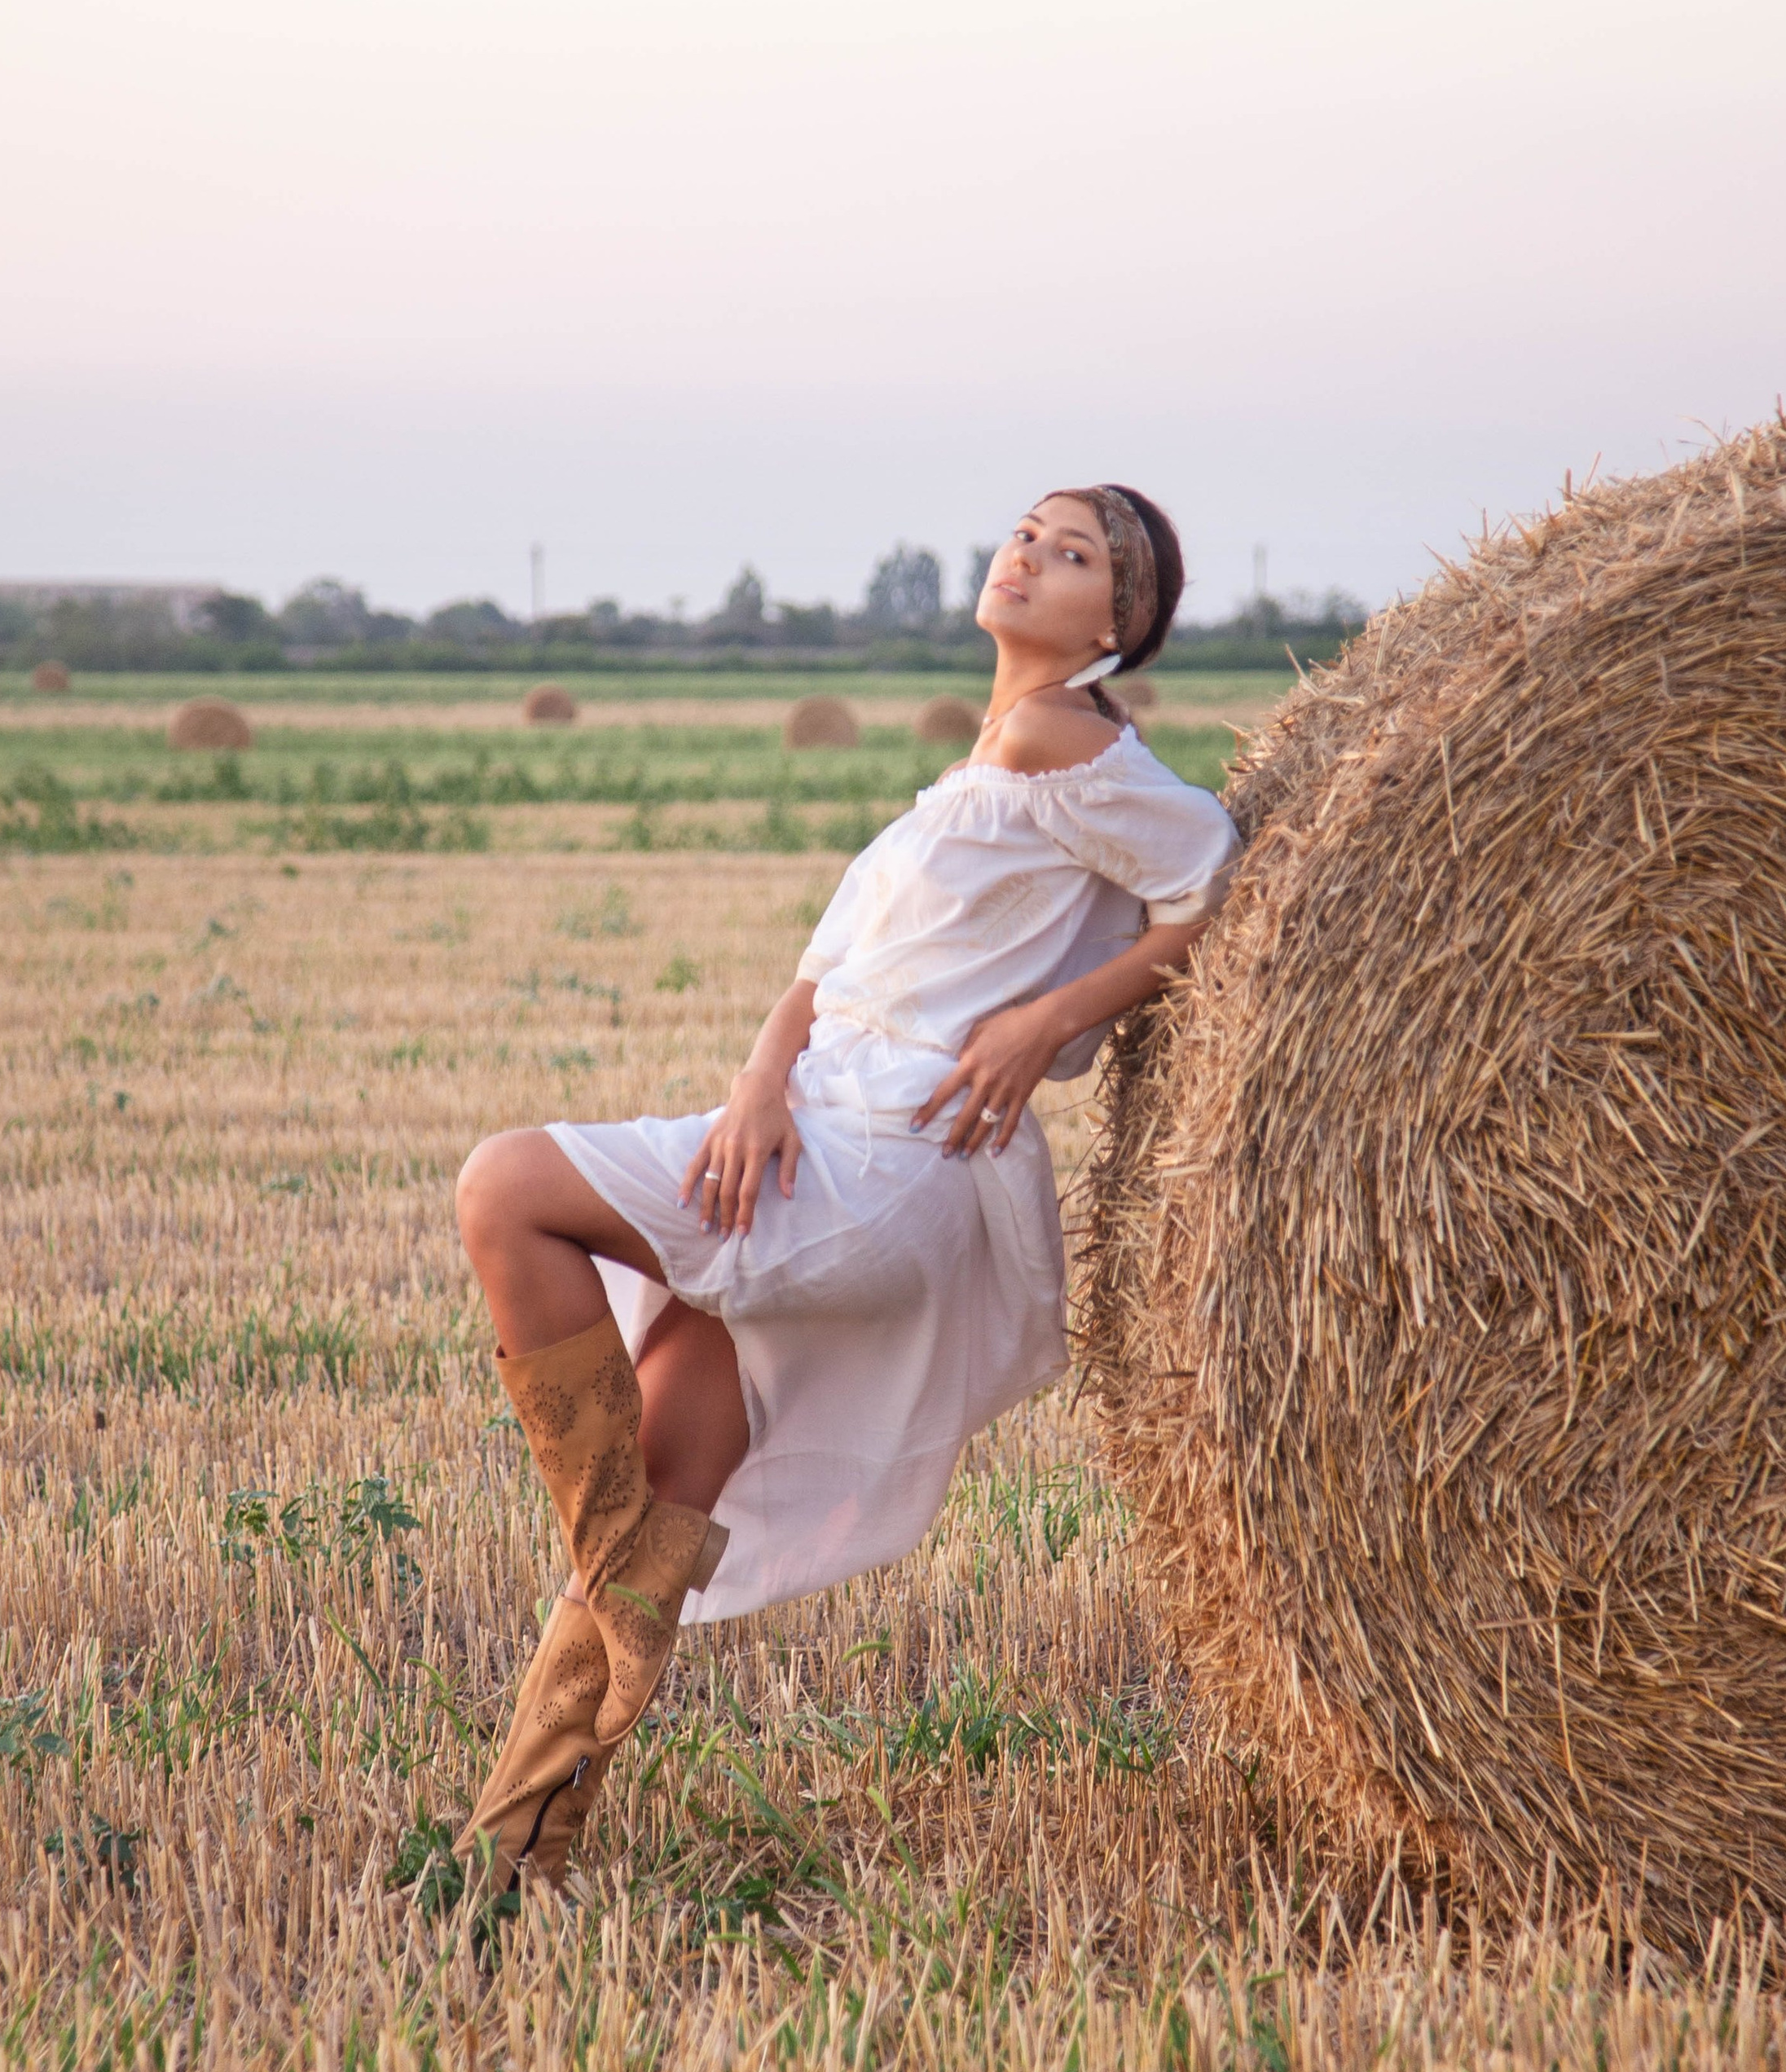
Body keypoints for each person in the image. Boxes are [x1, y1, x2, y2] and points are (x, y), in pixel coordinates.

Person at [452, 485, 1241, 1894]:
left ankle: (605, 1560)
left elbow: (1215, 877)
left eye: (1077, 557)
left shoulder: (1073, 738)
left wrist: (1051, 1020)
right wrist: (760, 1073)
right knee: (657, 1520)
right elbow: (829, 967)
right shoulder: (991, 757)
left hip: (890, 1154)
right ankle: (513, 1853)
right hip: (813, 1121)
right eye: (1027, 533)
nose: (1030, 556)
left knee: (504, 1187)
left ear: (1119, 624)